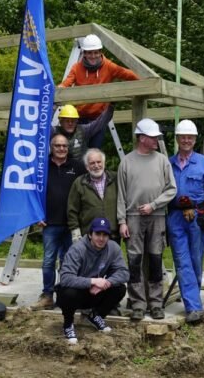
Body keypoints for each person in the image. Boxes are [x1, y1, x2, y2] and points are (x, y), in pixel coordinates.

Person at [117, 118, 177, 321]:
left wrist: (154, 205)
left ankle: (156, 303)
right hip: (133, 216)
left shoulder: (162, 160)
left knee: (155, 259)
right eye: (153, 137)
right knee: (134, 261)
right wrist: (121, 221)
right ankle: (138, 304)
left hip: (157, 216)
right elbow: (121, 194)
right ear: (142, 138)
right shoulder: (127, 161)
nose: (157, 141)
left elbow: (172, 189)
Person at [167, 120, 204, 324]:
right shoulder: (169, 163)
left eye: (190, 137)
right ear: (178, 139)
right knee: (182, 261)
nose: (186, 140)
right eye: (183, 137)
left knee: (195, 260)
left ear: (195, 139)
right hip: (176, 217)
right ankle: (193, 307)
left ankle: (192, 299)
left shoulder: (203, 162)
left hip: (198, 216)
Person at [30, 134, 86, 310]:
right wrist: (37, 215)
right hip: (50, 223)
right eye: (57, 146)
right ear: (51, 147)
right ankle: (47, 295)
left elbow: (85, 191)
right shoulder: (41, 166)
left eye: (64, 146)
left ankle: (65, 295)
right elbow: (32, 193)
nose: (61, 149)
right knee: (48, 261)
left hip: (72, 224)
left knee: (69, 261)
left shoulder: (77, 166)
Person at [56, 217, 129, 344]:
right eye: (97, 234)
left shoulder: (113, 248)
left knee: (120, 288)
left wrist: (107, 282)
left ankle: (96, 316)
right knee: (68, 292)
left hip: (95, 292)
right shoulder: (77, 249)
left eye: (105, 235)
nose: (101, 238)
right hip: (75, 293)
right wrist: (93, 281)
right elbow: (65, 278)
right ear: (90, 234)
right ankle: (68, 325)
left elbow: (124, 272)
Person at [59, 34, 139, 148]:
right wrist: (59, 89)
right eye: (90, 53)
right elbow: (67, 83)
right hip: (80, 118)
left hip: (98, 119)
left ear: (100, 52)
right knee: (77, 153)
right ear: (85, 53)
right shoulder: (77, 68)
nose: (93, 56)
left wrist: (145, 80)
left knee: (94, 151)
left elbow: (126, 73)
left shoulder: (108, 66)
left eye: (96, 52)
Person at [68, 148, 119, 243]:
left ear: (104, 163)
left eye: (99, 162)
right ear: (87, 167)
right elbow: (72, 210)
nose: (96, 165)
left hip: (113, 234)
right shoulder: (79, 183)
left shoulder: (115, 179)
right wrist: (75, 231)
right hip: (89, 235)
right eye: (92, 163)